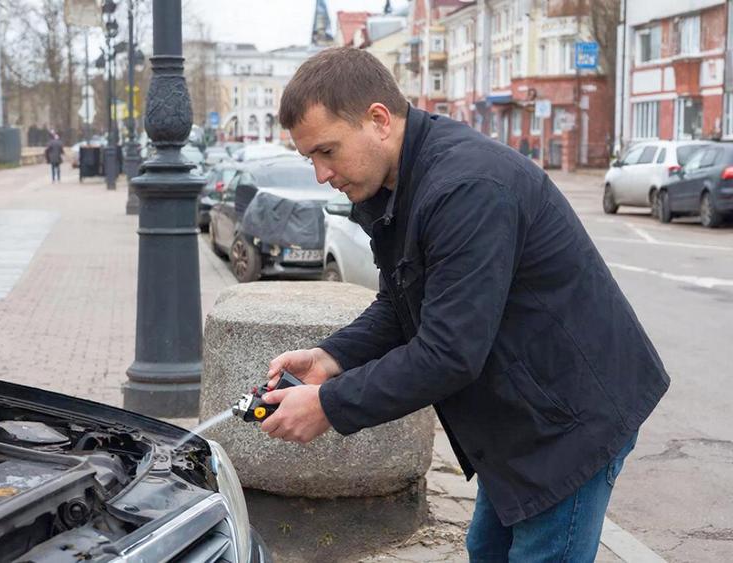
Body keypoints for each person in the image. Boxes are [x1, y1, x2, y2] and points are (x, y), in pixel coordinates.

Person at [258, 48, 670, 561]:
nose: (321, 174)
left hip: (570, 419)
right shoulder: (397, 181)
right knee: (486, 548)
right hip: (522, 415)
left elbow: (449, 353)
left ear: (379, 120)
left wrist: (329, 405)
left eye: (327, 151)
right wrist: (330, 358)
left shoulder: (466, 188)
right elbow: (400, 303)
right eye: (311, 159)